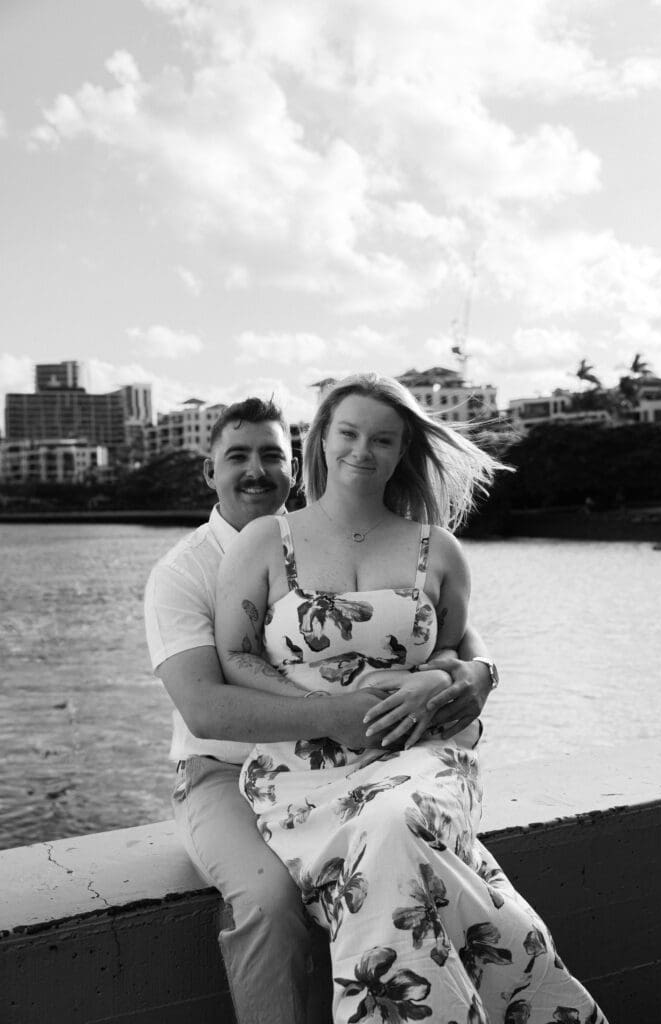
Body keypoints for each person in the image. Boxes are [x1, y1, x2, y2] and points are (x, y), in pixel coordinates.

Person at [214, 376, 608, 1024]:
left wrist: (440, 679)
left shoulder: (437, 548)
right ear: (321, 439)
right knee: (404, 850)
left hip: (422, 753)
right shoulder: (263, 541)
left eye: (382, 439)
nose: (361, 450)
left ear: (402, 451)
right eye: (348, 433)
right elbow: (235, 655)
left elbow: (453, 652)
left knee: (394, 821)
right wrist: (324, 712)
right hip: (302, 771)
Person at [144, 396, 497, 1024]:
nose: (256, 470)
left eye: (271, 454)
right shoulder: (182, 573)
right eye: (238, 456)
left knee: (396, 846)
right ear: (209, 471)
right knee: (268, 898)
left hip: (353, 763)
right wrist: (336, 714)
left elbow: (445, 633)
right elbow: (205, 709)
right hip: (223, 770)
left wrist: (480, 671)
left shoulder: (326, 537)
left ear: (296, 464)